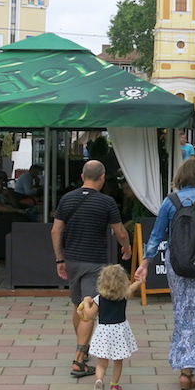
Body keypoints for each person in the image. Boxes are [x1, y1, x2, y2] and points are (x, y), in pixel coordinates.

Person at [135, 158, 195, 390]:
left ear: (180, 177)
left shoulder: (170, 201)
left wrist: (145, 263)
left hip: (175, 262)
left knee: (181, 310)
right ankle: (194, 364)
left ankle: (183, 368)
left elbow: (156, 236)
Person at [51, 160, 132, 378]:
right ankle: (78, 360)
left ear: (82, 176)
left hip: (72, 261)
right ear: (102, 177)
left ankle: (83, 350)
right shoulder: (107, 202)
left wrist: (60, 260)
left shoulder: (67, 199)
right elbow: (120, 231)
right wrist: (126, 248)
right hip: (94, 263)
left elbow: (56, 231)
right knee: (88, 311)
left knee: (78, 306)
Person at [78, 264, 142, 390]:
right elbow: (132, 288)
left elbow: (88, 315)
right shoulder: (124, 295)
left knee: (102, 363)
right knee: (118, 361)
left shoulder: (99, 299)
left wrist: (86, 301)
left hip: (104, 333)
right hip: (119, 331)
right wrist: (139, 281)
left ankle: (99, 380)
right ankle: (114, 385)